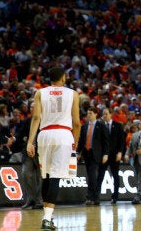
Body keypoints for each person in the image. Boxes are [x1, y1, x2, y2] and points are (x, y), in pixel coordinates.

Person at [26, 67, 81, 230]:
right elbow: (77, 122)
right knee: (56, 176)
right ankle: (47, 218)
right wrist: (75, 141)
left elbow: (36, 117)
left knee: (47, 176)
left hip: (44, 135)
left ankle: (47, 217)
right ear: (63, 77)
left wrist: (30, 141)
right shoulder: (73, 94)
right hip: (63, 134)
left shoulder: (40, 93)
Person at [78, 107, 110, 205]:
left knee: (92, 175)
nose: (89, 115)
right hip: (87, 153)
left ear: (96, 114)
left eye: (91, 113)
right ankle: (95, 198)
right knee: (90, 175)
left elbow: (106, 141)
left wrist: (106, 154)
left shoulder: (101, 125)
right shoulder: (84, 126)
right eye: (88, 113)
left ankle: (91, 196)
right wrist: (78, 152)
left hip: (96, 154)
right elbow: (81, 141)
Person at [16, 104, 43, 210]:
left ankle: (39, 200)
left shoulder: (45, 121)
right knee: (25, 174)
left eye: (34, 107)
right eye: (31, 107)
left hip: (41, 152)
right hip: (28, 152)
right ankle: (31, 199)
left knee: (41, 178)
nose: (32, 109)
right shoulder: (27, 121)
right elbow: (20, 135)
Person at [98, 107, 126, 204]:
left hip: (115, 155)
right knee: (100, 175)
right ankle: (96, 196)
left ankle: (115, 197)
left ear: (111, 114)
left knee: (115, 176)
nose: (104, 116)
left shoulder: (118, 125)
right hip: (104, 155)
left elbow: (122, 141)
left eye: (106, 114)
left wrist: (120, 152)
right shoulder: (100, 125)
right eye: (103, 114)